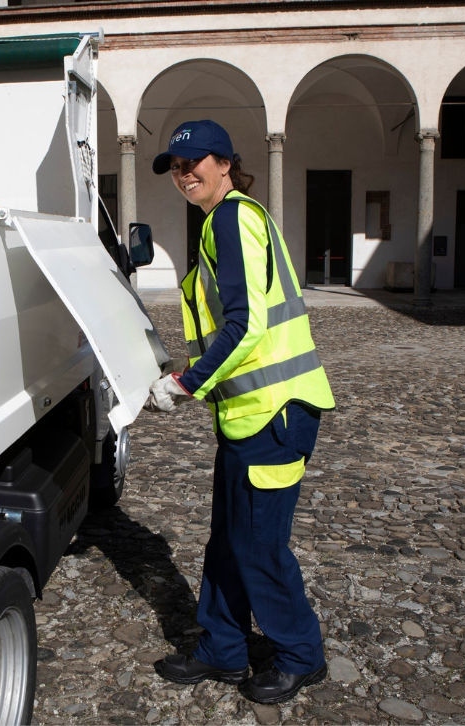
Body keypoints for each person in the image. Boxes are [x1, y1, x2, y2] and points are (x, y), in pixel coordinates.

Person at [144, 119, 336, 705]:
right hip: (252, 415)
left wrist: (187, 382)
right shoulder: (223, 222)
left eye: (194, 163)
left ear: (225, 163)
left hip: (275, 415)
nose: (184, 175)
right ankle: (223, 648)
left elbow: (245, 324)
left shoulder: (230, 217)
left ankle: (301, 655)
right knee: (229, 539)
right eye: (176, 168)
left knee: (257, 545)